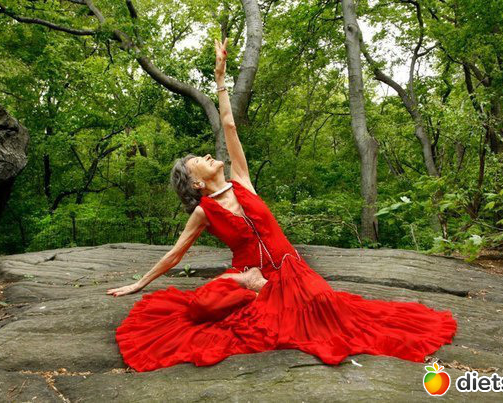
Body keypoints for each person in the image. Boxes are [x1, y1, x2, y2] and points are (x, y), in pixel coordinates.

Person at [107, 38, 458, 373]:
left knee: (322, 306)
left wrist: (220, 79)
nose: (208, 156)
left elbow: (229, 126)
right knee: (200, 306)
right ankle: (248, 284)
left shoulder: (241, 180)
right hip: (247, 273)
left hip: (290, 270)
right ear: (196, 183)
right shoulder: (204, 212)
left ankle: (260, 291)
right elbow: (175, 254)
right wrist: (139, 283)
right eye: (198, 160)